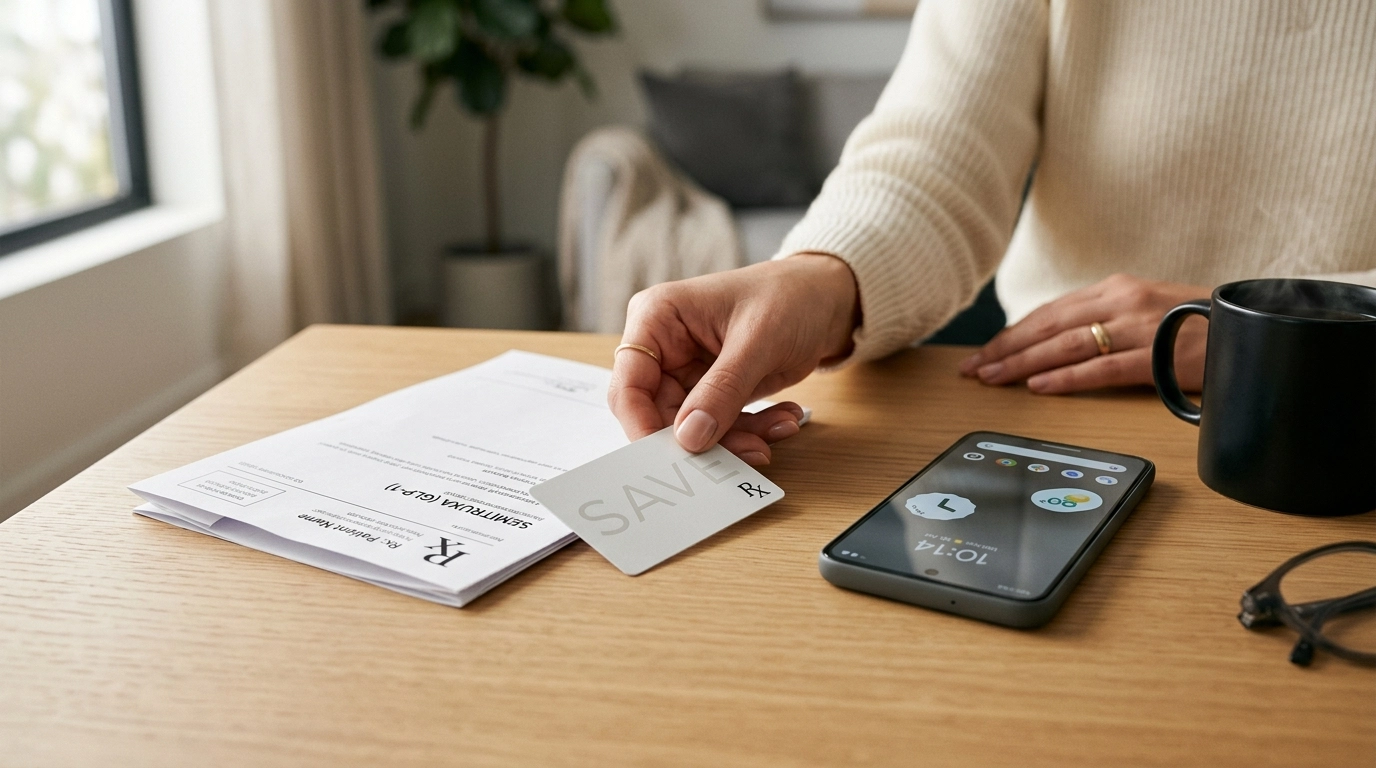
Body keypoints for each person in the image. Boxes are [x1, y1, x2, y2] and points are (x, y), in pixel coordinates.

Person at [608, 0, 1376, 465]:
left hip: (1349, 423)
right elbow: (940, 151)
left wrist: (1281, 332)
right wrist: (818, 274)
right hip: (1053, 414)